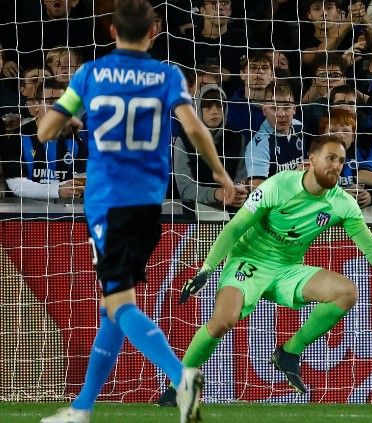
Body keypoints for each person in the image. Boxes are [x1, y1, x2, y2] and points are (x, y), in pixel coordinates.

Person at [36, 1, 236, 422]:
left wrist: (72, 120)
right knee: (113, 306)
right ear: (154, 32)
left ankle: (181, 377)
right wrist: (220, 175)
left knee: (120, 303)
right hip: (150, 205)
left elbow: (45, 131)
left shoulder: (89, 74)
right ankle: (81, 409)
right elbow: (195, 127)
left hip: (109, 205)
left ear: (111, 31)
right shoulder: (167, 75)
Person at [162, 135, 372, 399]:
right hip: (248, 261)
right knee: (223, 321)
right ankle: (180, 386)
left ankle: (289, 352)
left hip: (287, 269)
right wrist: (208, 268)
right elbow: (236, 227)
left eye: (341, 160)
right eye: (330, 158)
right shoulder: (278, 185)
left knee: (346, 292)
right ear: (310, 160)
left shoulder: (342, 204)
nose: (337, 165)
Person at [0, 81, 87, 201]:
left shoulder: (76, 141)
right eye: (50, 102)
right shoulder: (17, 138)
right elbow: (17, 185)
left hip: (64, 211)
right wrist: (57, 190)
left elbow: (80, 180)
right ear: (36, 105)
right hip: (24, 211)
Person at [173, 84, 248, 211]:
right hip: (194, 211)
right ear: (197, 109)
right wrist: (216, 194)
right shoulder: (183, 140)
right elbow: (185, 189)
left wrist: (239, 193)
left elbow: (241, 179)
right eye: (208, 106)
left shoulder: (238, 139)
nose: (215, 111)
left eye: (219, 106)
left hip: (231, 209)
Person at [245, 81, 305, 190]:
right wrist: (294, 176)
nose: (281, 114)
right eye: (274, 108)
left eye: (286, 107)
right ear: (264, 110)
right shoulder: (258, 145)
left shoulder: (299, 127)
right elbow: (257, 189)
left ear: (294, 109)